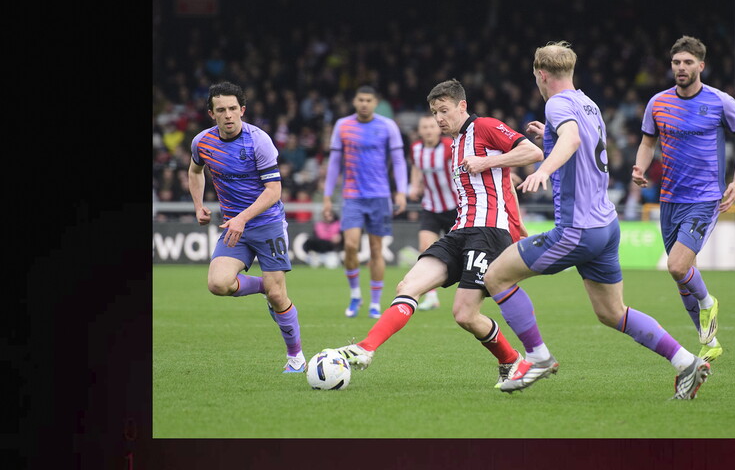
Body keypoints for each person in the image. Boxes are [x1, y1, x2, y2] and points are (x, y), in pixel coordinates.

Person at [479, 41, 711, 399]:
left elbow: (571, 140)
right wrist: (549, 136)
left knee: (496, 276)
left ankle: (537, 356)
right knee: (611, 311)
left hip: (577, 230)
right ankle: (686, 363)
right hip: (606, 226)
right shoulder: (587, 103)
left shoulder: (556, 103)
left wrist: (544, 167)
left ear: (541, 75)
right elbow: (577, 139)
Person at [333, 78, 544, 385]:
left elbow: (532, 153)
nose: (439, 119)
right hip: (460, 230)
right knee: (408, 284)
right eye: (434, 113)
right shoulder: (455, 144)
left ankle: (513, 360)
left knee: (464, 314)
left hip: (487, 232)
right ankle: (365, 349)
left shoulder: (484, 126)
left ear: (462, 106)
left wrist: (487, 161)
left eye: (443, 111)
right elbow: (503, 181)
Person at [632, 35, 735, 365]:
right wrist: (640, 167)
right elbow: (647, 141)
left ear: (701, 65)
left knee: (676, 266)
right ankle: (710, 342)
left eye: (688, 62)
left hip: (704, 198)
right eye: (676, 63)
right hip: (669, 199)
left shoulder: (720, 102)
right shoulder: (658, 102)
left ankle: (708, 301)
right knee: (683, 277)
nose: (681, 68)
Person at [187, 81, 305, 373]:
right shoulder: (202, 142)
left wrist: (242, 217)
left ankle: (296, 357)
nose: (227, 115)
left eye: (232, 109)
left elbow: (274, 191)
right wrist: (198, 204)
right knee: (218, 284)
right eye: (220, 110)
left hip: (266, 224)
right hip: (234, 226)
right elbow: (195, 170)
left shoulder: (259, 141)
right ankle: (266, 285)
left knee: (279, 297)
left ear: (242, 110)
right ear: (211, 114)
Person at [322, 85, 408, 319]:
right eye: (360, 99)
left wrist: (401, 192)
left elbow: (399, 161)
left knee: (376, 250)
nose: (364, 104)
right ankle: (355, 294)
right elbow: (334, 163)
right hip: (351, 196)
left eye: (369, 100)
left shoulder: (387, 126)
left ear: (375, 102)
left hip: (380, 196)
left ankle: (375, 303)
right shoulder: (343, 125)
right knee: (350, 245)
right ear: (354, 101)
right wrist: (327, 197)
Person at [407, 114, 459, 311]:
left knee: (463, 251)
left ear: (438, 128)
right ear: (420, 131)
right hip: (430, 206)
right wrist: (414, 186)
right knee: (426, 247)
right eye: (425, 127)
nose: (428, 130)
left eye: (431, 126)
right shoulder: (416, 149)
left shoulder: (448, 146)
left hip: (454, 205)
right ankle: (431, 296)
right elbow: (416, 168)